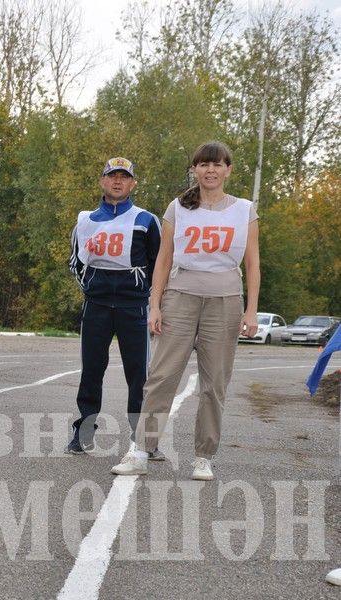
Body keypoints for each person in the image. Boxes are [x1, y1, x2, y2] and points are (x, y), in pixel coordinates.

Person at [112, 141, 260, 480]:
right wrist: (155, 304)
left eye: (217, 164)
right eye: (203, 164)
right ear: (194, 169)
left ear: (228, 170)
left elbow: (252, 263)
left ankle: (203, 457)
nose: (210, 170)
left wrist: (251, 311)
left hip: (224, 302)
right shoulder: (178, 208)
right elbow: (163, 260)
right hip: (180, 298)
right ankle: (139, 451)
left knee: (214, 384)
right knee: (162, 377)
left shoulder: (244, 210)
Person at [67, 157, 162, 455]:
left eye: (124, 176)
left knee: (139, 374)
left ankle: (143, 440)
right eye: (112, 176)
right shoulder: (85, 220)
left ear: (133, 183)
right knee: (91, 370)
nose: (117, 181)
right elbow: (76, 262)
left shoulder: (146, 220)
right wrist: (93, 288)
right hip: (96, 306)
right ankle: (84, 432)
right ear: (102, 180)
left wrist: (149, 297)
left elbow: (160, 264)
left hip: (135, 308)